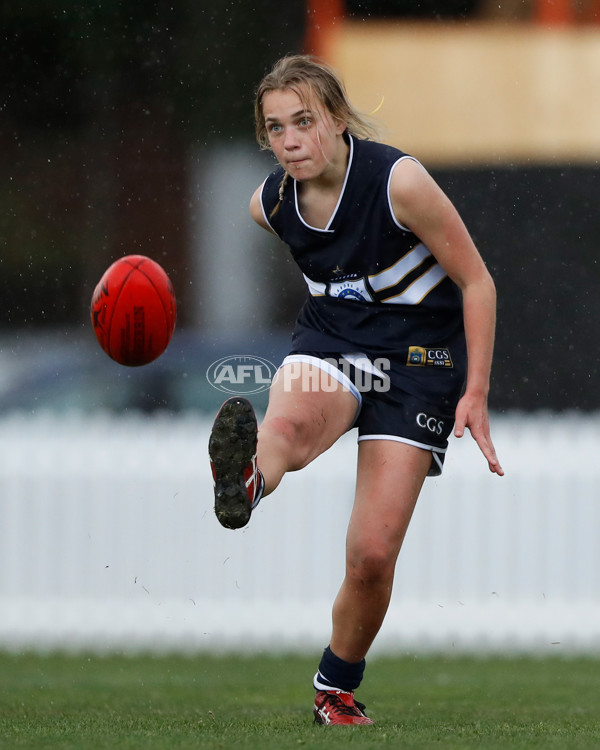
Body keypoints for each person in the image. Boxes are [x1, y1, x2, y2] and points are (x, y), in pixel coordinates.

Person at [208, 54, 504, 726]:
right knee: (282, 431)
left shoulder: (400, 182)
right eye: (275, 127)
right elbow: (266, 212)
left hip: (418, 364)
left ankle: (334, 690)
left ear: (337, 120)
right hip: (332, 348)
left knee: (371, 554)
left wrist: (476, 391)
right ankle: (247, 482)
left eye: (303, 121)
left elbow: (478, 282)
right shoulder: (274, 201)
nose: (289, 140)